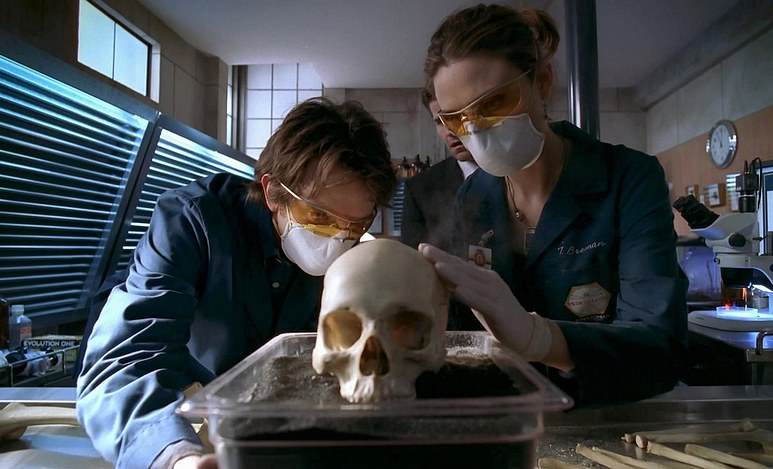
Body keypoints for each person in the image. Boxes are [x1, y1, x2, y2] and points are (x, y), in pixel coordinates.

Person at [76, 97, 397, 469]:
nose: (337, 240)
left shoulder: (351, 259)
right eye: (319, 218)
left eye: (354, 225)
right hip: (182, 405)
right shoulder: (194, 221)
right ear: (273, 192)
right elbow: (127, 360)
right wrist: (175, 457)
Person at [419, 4, 688, 406]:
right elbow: (462, 334)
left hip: (609, 414)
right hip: (512, 414)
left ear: (542, 81)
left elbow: (659, 348)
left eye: (493, 103)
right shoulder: (472, 197)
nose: (476, 130)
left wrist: (539, 339)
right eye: (457, 118)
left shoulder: (628, 179)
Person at [400, 87, 478, 253]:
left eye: (456, 117)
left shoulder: (518, 171)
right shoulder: (420, 188)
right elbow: (411, 260)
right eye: (439, 122)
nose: (450, 131)